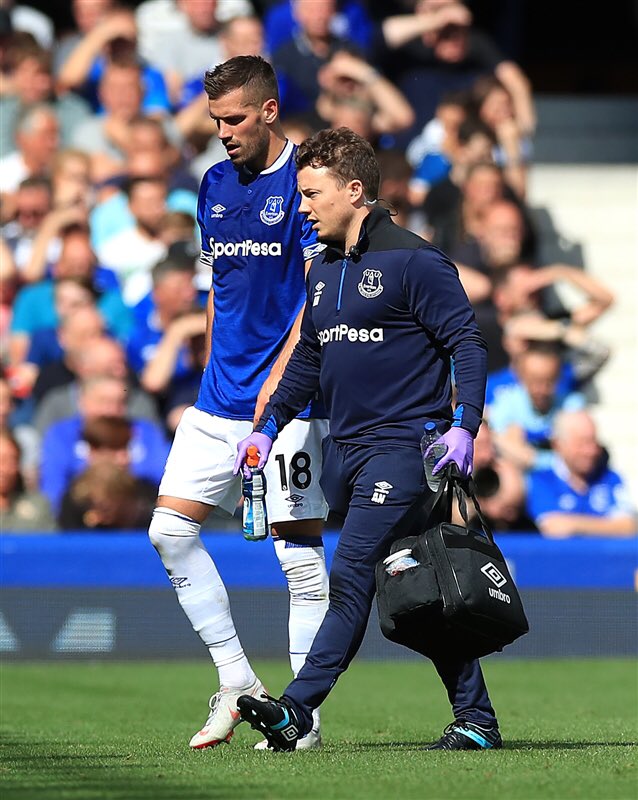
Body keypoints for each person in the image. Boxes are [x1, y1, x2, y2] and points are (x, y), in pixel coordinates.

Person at [234, 127, 501, 752]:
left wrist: (466, 426)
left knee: (351, 570)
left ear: (354, 191)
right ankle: (477, 719)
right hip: (347, 453)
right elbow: (308, 358)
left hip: (408, 450)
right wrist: (268, 425)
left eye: (311, 194)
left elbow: (468, 344)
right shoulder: (322, 267)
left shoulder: (416, 261)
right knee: (415, 592)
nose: (302, 207)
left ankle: (295, 709)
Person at [147, 55, 330, 751]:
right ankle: (238, 681)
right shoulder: (214, 184)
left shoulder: (304, 183)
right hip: (217, 399)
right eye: (214, 119)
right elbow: (219, 288)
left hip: (286, 407)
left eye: (233, 118)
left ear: (269, 111)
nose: (221, 132)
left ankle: (303, 719)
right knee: (169, 532)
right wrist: (211, 368)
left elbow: (313, 300)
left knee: (299, 561)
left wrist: (278, 385)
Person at [526, 410, 636, 538]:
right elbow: (552, 526)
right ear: (558, 444)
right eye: (581, 443)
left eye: (593, 442)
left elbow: (628, 526)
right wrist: (607, 526)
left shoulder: (610, 479)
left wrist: (575, 525)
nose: (590, 451)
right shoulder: (541, 481)